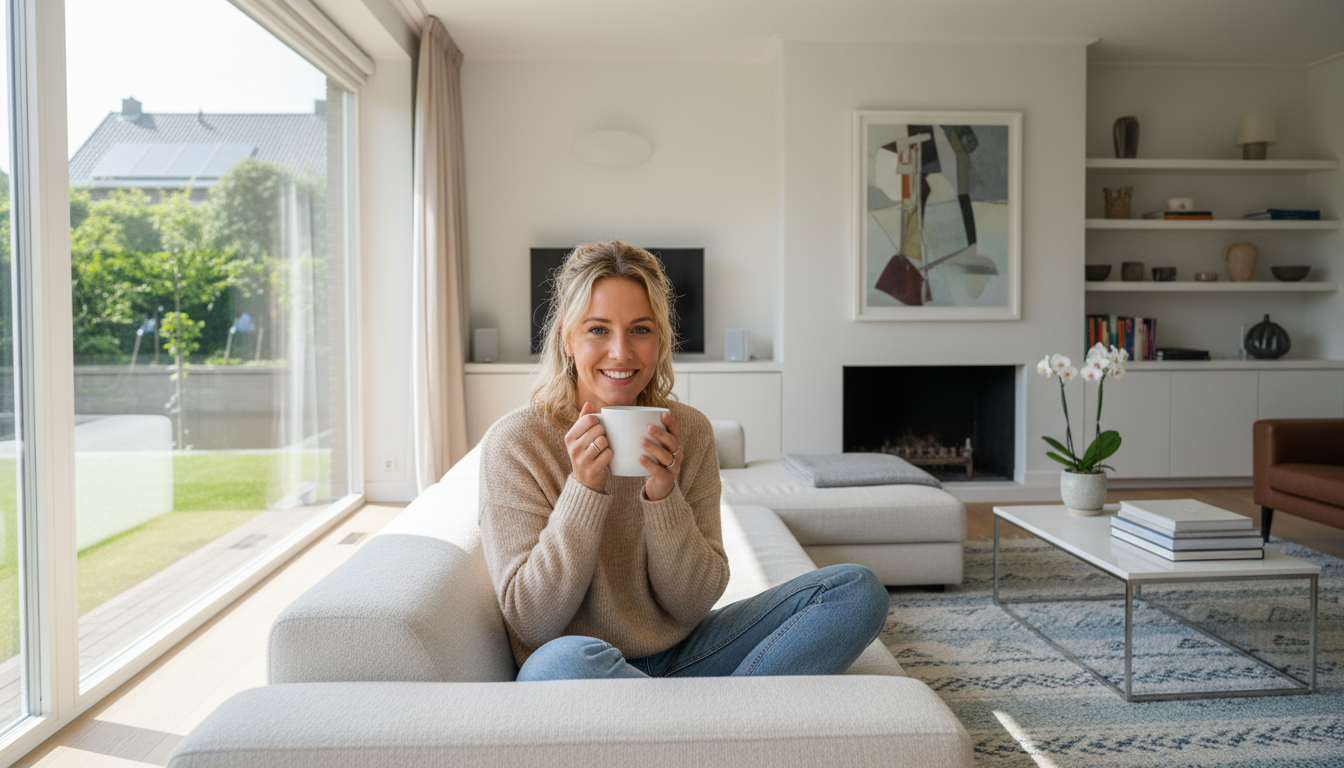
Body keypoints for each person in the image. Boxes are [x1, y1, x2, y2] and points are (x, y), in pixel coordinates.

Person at [478, 241, 888, 680]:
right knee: (559, 665)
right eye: (598, 329)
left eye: (641, 329)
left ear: (660, 339)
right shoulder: (517, 443)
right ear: (567, 338)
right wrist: (584, 490)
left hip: (686, 655)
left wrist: (663, 495)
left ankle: (683, 722)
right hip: (584, 666)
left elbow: (694, 603)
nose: (621, 352)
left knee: (856, 591)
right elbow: (532, 620)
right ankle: (717, 719)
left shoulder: (688, 432)